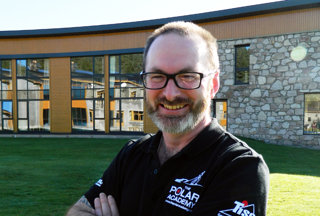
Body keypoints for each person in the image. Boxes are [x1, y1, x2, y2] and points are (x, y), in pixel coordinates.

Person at [67, 21, 269, 216]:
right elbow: (79, 211)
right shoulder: (132, 154)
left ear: (213, 84)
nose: (170, 94)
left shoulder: (240, 167)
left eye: (188, 76)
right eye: (157, 76)